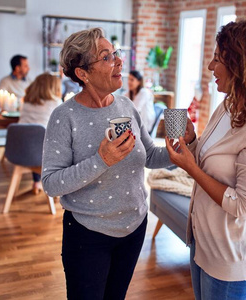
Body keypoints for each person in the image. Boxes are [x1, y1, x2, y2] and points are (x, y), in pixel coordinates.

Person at [41, 28, 194, 300]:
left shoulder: (126, 106)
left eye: (116, 53)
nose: (119, 61)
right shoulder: (64, 117)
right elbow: (52, 184)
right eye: (106, 57)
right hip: (88, 235)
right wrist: (102, 161)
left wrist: (182, 147)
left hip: (135, 227)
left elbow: (148, 156)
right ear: (83, 74)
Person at [165, 19, 246, 300]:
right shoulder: (229, 105)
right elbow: (215, 162)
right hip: (204, 241)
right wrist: (192, 142)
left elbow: (245, 206)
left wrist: (190, 168)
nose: (211, 67)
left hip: (230, 256)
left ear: (242, 65)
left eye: (217, 59)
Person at [19, 73, 62, 194]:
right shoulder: (56, 103)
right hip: (43, 154)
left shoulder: (26, 102)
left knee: (35, 140)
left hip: (20, 150)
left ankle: (36, 181)